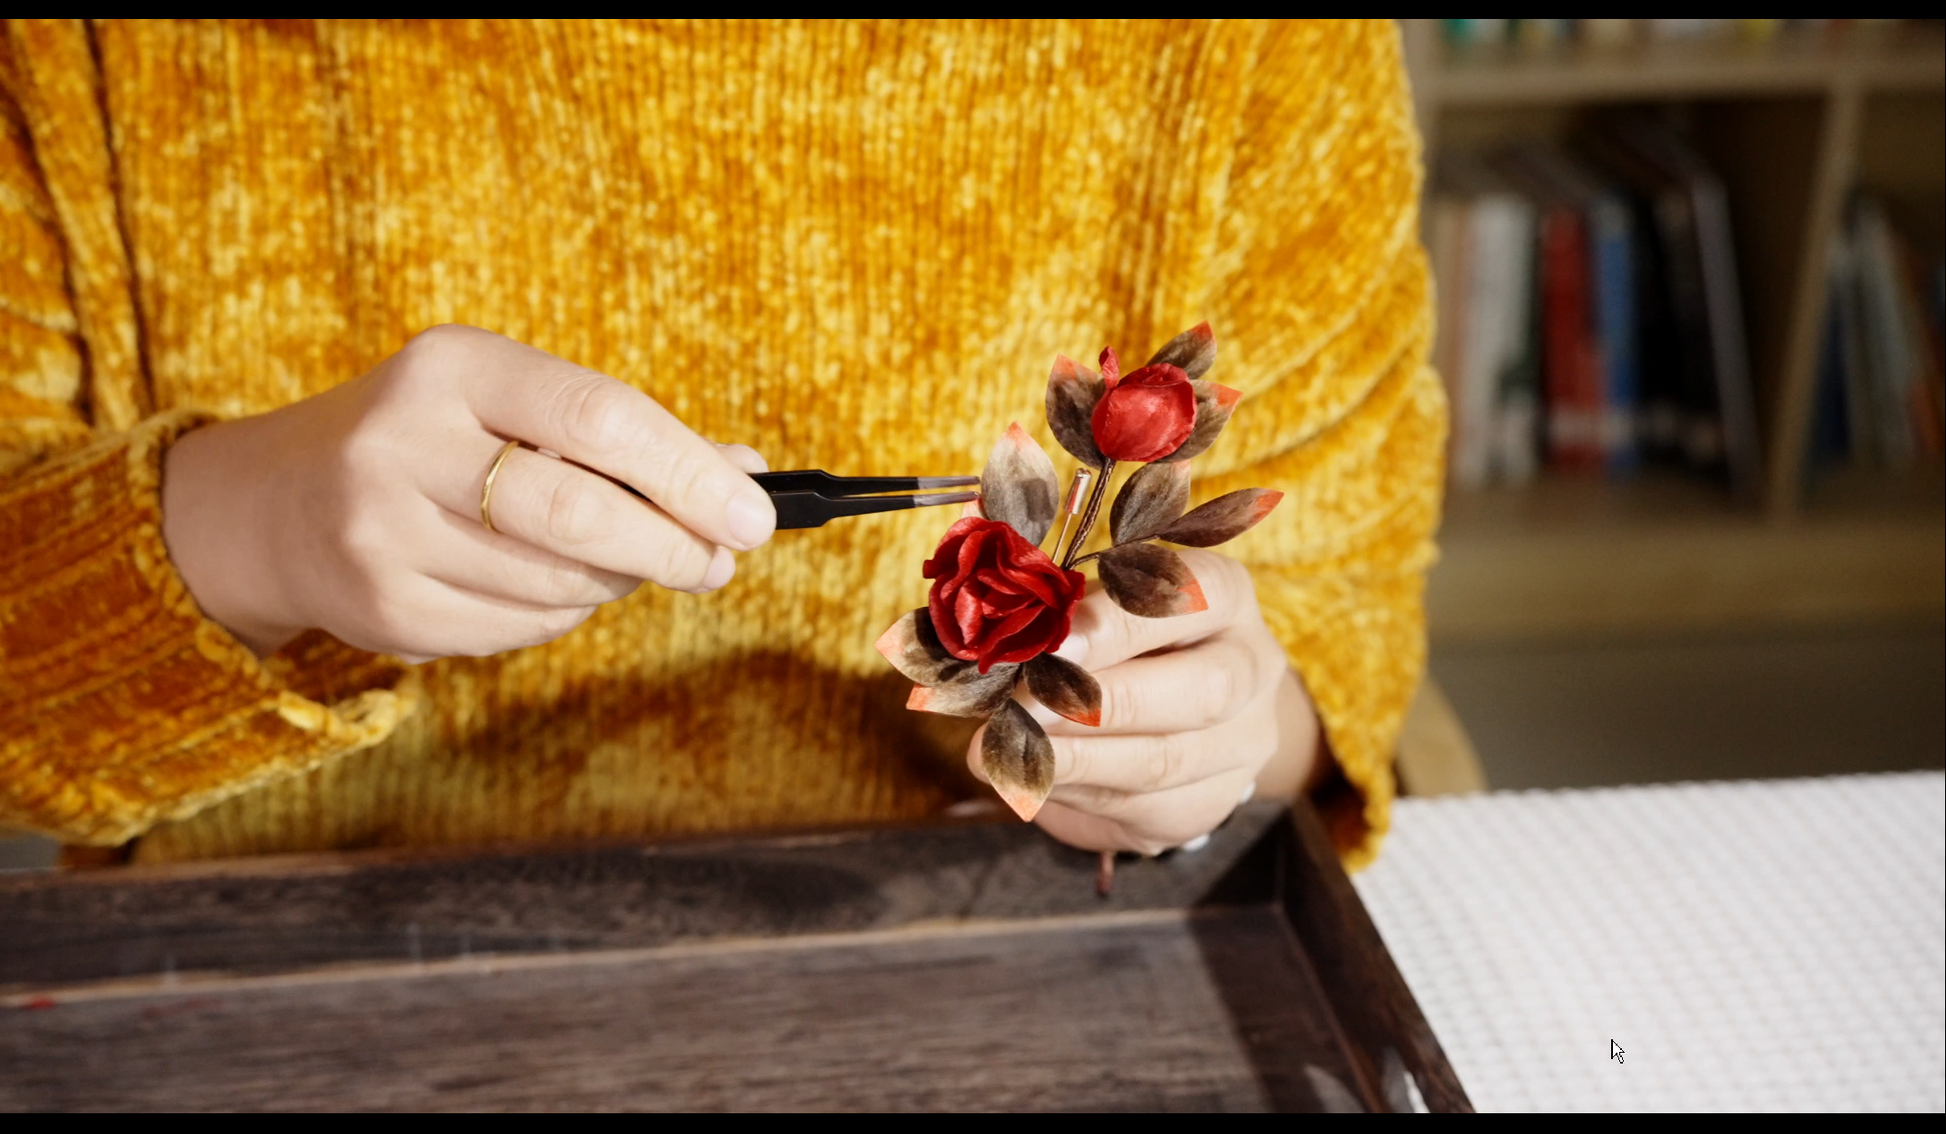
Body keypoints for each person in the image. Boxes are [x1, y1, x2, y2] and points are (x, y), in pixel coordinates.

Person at [0, 19, 1441, 867]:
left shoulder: (1250, 52)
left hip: (994, 982)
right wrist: (247, 529)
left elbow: (1335, 662)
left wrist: (1205, 728)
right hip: (274, 997)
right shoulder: (98, 55)